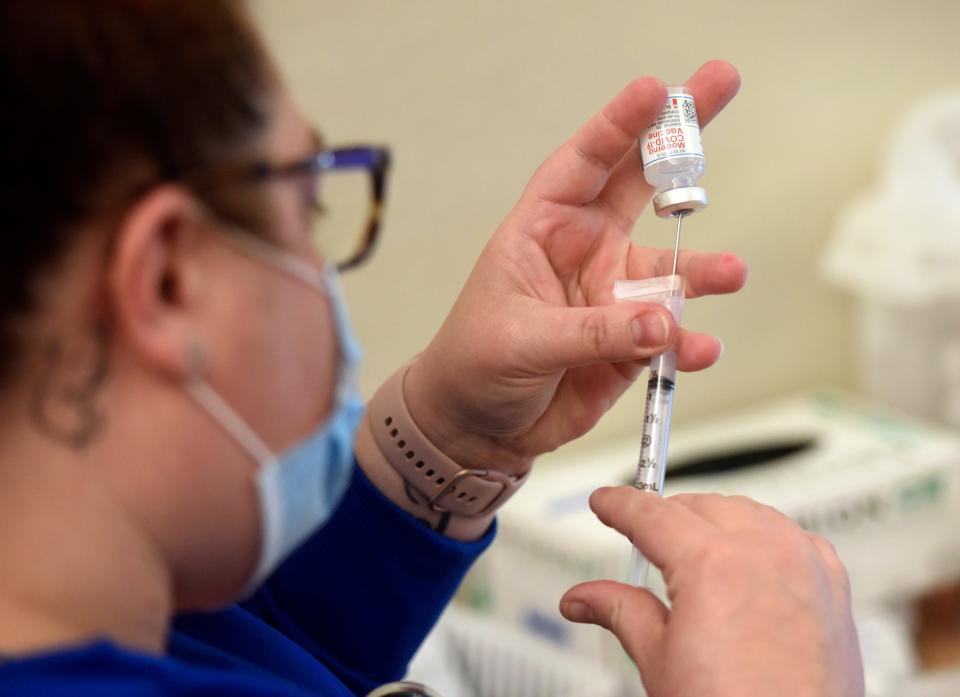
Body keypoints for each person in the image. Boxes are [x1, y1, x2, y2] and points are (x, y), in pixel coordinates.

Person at [0, 1, 864, 696]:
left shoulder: (115, 606)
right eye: (313, 209)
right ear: (166, 284)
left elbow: (262, 648)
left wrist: (447, 442)